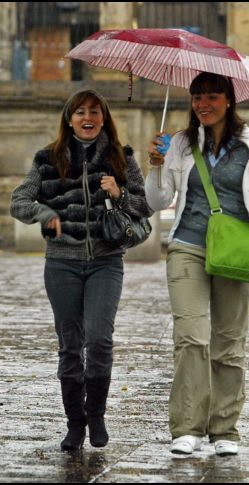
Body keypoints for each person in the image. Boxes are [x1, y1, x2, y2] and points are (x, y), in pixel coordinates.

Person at [145, 72, 249, 457]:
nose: (203, 104)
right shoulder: (180, 144)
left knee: (229, 346)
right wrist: (155, 165)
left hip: (236, 251)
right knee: (191, 338)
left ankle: (225, 430)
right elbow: (156, 200)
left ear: (229, 100)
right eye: (197, 97)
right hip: (188, 247)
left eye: (212, 97)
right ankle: (187, 427)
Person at [10, 89, 152, 451]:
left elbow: (145, 206)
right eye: (80, 112)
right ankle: (75, 424)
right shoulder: (48, 159)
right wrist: (45, 213)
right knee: (70, 346)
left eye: (94, 112)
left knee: (100, 339)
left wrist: (119, 192)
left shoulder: (122, 158)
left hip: (106, 261)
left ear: (104, 118)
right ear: (69, 118)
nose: (87, 118)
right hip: (61, 264)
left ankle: (97, 415)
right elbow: (19, 201)